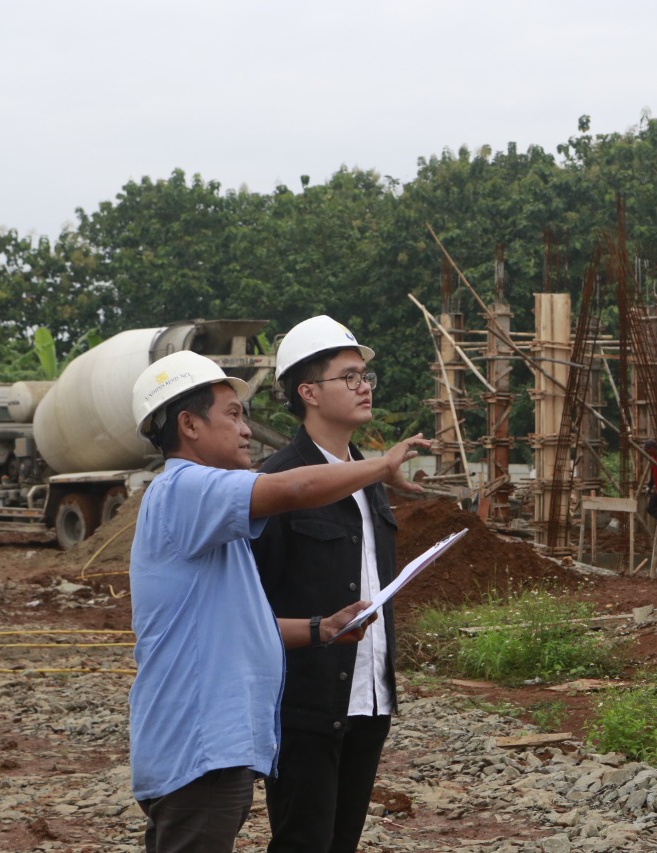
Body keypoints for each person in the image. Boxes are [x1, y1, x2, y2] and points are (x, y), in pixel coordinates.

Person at [127, 349, 429, 853]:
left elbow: (245, 626)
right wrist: (381, 465)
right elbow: (296, 486)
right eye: (232, 414)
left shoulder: (214, 526)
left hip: (212, 753)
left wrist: (321, 628)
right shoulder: (184, 488)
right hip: (198, 749)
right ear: (188, 424)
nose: (247, 429)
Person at [250, 315, 402, 853]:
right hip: (305, 705)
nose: (364, 387)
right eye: (350, 376)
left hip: (370, 700)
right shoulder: (277, 484)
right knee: (301, 844)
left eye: (366, 376)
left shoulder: (372, 478)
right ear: (308, 391)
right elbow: (251, 605)